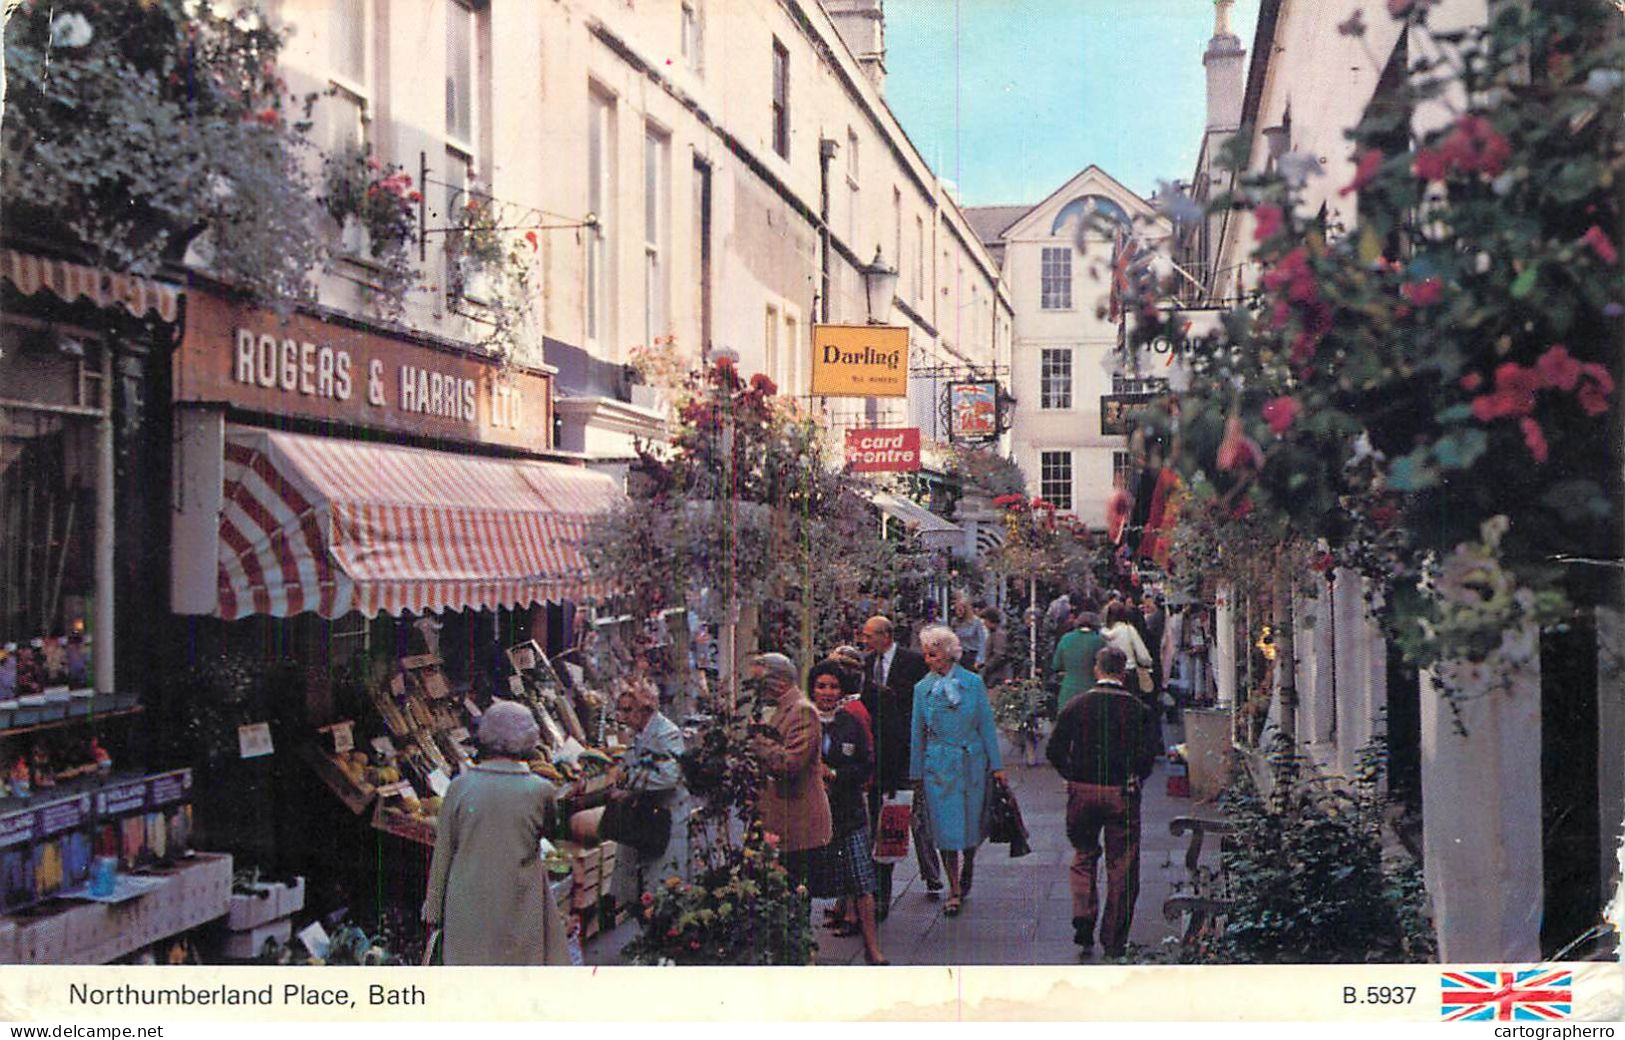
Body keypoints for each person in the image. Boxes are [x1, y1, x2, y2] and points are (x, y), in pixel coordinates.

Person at [424, 701, 570, 965]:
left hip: (467, 905)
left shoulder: (459, 787)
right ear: (530, 739)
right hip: (519, 904)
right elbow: (551, 830)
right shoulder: (541, 790)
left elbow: (443, 853)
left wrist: (433, 910)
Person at [1045, 647, 1158, 958]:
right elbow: (1149, 755)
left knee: (1083, 854)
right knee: (1122, 864)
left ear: (1097, 670)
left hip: (1082, 790)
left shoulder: (1076, 705)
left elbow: (1054, 749)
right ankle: (1114, 937)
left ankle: (1083, 915)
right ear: (1123, 673)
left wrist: (1071, 775)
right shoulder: (1138, 710)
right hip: (1121, 792)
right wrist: (1136, 776)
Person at [909, 625, 1005, 917]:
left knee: (971, 824)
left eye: (933, 654)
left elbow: (986, 726)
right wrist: (916, 774)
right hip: (938, 765)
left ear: (949, 655)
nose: (928, 660)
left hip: (971, 762)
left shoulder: (973, 683)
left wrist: (997, 766)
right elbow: (918, 732)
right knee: (944, 829)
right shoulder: (922, 689)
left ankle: (970, 865)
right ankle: (954, 888)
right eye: (926, 654)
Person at [570, 682, 688, 906]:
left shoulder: (667, 733)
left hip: (664, 820)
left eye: (627, 710)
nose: (622, 717)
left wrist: (630, 789)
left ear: (645, 709)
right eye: (620, 709)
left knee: (662, 888)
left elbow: (669, 776)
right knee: (639, 887)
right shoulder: (639, 733)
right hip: (643, 820)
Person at [858, 615, 942, 914]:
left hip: (908, 752)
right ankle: (881, 893)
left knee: (916, 818)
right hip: (879, 755)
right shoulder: (866, 665)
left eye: (869, 636)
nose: (865, 641)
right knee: (883, 822)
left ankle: (932, 875)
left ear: (886, 635)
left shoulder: (913, 662)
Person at [805, 661, 888, 965]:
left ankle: (872, 948)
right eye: (821, 686)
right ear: (812, 688)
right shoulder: (804, 722)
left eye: (833, 687)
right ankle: (805, 950)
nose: (827, 693)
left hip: (848, 813)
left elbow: (865, 766)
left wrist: (836, 774)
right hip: (812, 816)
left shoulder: (850, 723)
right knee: (806, 883)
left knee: (862, 882)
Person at [748, 653, 833, 886]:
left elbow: (791, 763)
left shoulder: (803, 712)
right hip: (779, 820)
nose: (759, 690)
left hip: (798, 823)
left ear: (781, 681)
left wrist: (758, 742)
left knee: (794, 890)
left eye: (762, 683)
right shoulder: (775, 709)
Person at [1102, 601, 1159, 749]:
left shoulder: (1102, 634)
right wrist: (1147, 663)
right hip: (1128, 673)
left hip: (1108, 675)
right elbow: (1143, 655)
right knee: (1131, 710)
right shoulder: (1128, 630)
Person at [1053, 608, 1107, 713]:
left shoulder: (1066, 638)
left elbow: (1056, 665)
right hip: (1090, 691)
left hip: (1067, 690)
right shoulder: (1099, 641)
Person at [978, 608, 1014, 689]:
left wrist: (986, 668)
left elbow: (999, 655)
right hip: (994, 676)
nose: (984, 624)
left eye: (985, 621)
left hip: (998, 677)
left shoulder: (998, 634)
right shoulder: (994, 634)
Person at [950, 597, 987, 671]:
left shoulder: (976, 622)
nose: (958, 612)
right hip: (960, 655)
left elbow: (983, 641)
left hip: (973, 655)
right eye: (956, 610)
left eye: (960, 610)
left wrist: (979, 659)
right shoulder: (955, 622)